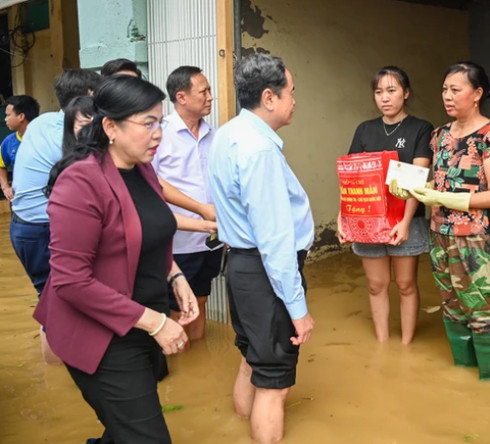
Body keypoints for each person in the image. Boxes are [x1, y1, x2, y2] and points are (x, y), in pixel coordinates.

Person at [33, 75, 199, 443]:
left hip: (144, 320)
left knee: (126, 428)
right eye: (148, 123)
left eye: (160, 122)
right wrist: (157, 323)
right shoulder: (80, 182)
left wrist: (175, 277)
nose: (159, 134)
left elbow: (148, 233)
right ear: (110, 127)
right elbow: (71, 281)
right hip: (102, 336)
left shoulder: (142, 169)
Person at [208, 53, 314, 444]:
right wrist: (298, 309)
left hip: (240, 265)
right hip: (264, 273)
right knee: (274, 384)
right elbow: (275, 241)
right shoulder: (260, 150)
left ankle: (240, 425)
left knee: (251, 358)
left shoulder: (227, 134)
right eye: (291, 92)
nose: (294, 101)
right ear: (269, 97)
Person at [396, 62, 490, 380]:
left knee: (480, 309)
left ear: (477, 94)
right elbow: (439, 181)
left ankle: (489, 381)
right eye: (445, 89)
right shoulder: (439, 135)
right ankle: (463, 377)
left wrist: (449, 199)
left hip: (475, 239)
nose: (447, 96)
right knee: (452, 306)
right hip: (440, 235)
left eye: (455, 90)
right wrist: (416, 189)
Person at [11, 69, 101, 364]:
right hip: (44, 228)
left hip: (24, 227)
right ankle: (60, 376)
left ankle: (56, 379)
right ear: (87, 97)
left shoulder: (41, 122)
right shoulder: (69, 135)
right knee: (60, 306)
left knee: (50, 301)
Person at [337, 66, 433, 344]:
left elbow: (417, 178)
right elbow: (351, 178)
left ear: (406, 93)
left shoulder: (420, 128)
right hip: (368, 221)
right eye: (379, 92)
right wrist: (343, 218)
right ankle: (382, 343)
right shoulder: (365, 130)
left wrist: (405, 223)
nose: (385, 98)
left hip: (405, 219)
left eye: (391, 90)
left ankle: (405, 345)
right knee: (376, 285)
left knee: (405, 284)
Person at [153, 65, 220, 341]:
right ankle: (181, 359)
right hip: (178, 242)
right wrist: (201, 210)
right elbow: (152, 183)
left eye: (210, 90)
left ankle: (198, 357)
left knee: (201, 298)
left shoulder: (213, 134)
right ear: (181, 97)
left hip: (211, 238)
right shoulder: (160, 134)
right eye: (203, 91)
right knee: (177, 306)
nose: (210, 97)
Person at [1, 95, 40, 201]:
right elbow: (1, 165)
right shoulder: (8, 142)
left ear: (21, 116)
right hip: (19, 199)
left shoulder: (45, 139)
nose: (5, 119)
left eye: (8, 115)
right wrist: (5, 187)